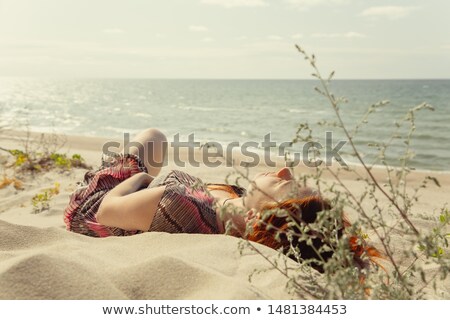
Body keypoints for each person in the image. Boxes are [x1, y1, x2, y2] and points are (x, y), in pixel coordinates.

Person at [64, 128, 380, 272]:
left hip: (92, 207)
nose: (284, 170)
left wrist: (142, 179)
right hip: (132, 206)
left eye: (285, 184)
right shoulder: (234, 216)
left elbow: (105, 211)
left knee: (152, 138)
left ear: (263, 217)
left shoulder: (175, 203)